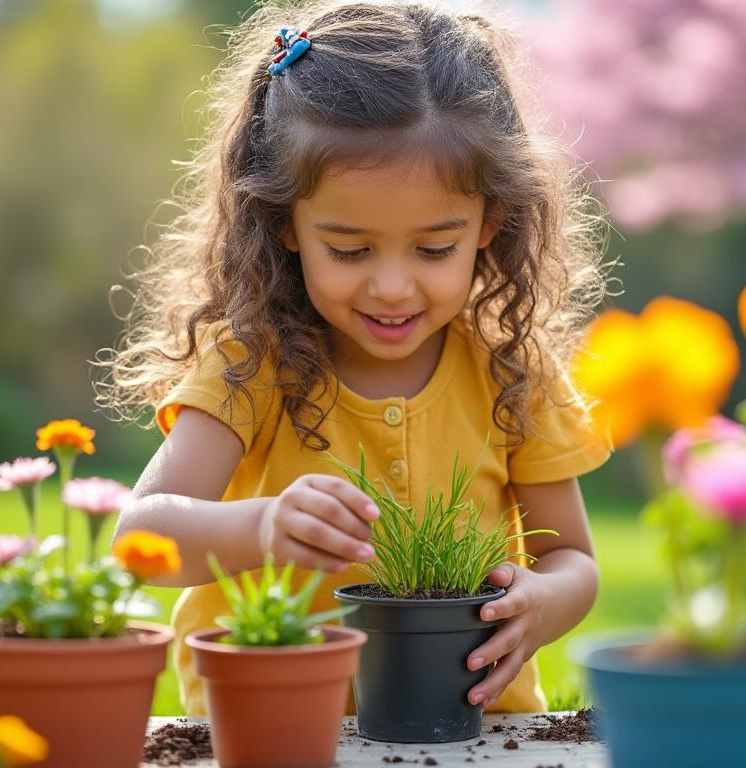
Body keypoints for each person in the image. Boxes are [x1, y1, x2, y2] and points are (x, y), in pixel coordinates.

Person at [104, 0, 611, 717]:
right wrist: (261, 527)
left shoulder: (510, 369)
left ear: (489, 223)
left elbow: (575, 562)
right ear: (284, 224)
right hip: (275, 730)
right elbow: (138, 537)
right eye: (349, 250)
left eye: (435, 249)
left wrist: (542, 603)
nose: (393, 286)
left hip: (474, 731)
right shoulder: (253, 364)